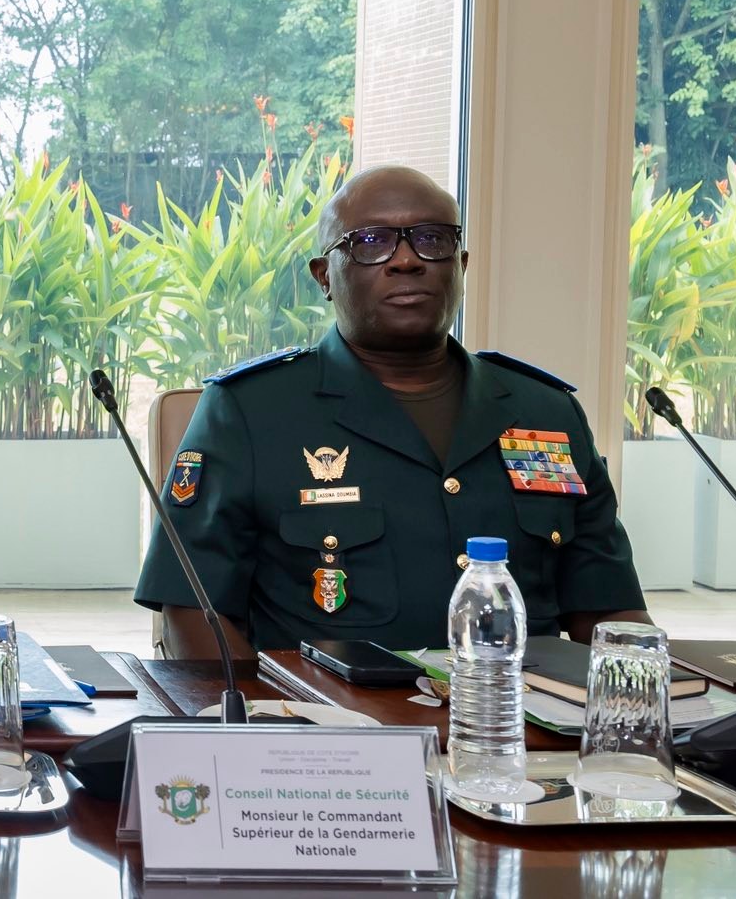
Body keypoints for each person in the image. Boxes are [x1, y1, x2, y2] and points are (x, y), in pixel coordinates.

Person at [135, 165, 650, 656]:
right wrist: (260, 714)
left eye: (432, 239)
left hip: (514, 711)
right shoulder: (251, 412)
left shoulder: (546, 413)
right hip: (324, 714)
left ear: (461, 266)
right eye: (370, 242)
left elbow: (609, 608)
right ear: (324, 276)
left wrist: (646, 698)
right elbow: (192, 610)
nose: (407, 260)